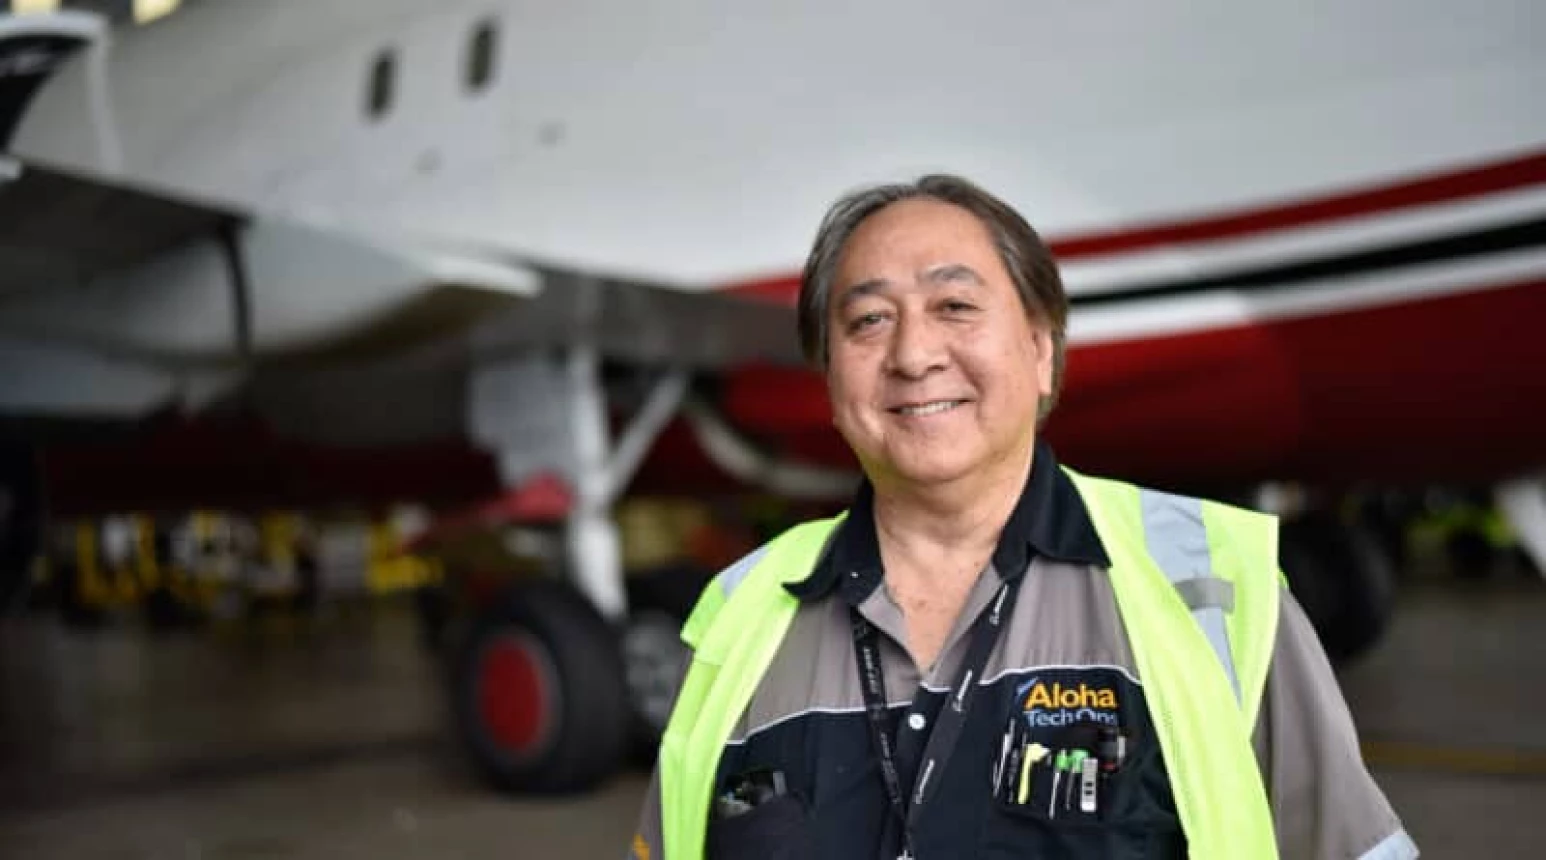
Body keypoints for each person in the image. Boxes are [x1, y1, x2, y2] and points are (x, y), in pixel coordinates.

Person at [629, 176, 1416, 859]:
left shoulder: (1211, 583)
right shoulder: (738, 618)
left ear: (1042, 350)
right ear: (831, 377)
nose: (913, 355)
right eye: (869, 321)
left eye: (956, 305)